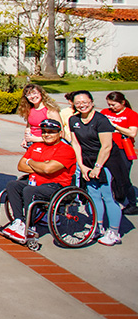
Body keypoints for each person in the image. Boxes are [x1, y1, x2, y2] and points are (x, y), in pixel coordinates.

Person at [2, 119, 77, 242]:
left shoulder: (65, 149)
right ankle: (19, 221)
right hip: (36, 181)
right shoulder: (36, 146)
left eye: (51, 132)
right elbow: (21, 166)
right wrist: (42, 165)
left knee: (29, 190)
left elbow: (48, 170)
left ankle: (29, 226)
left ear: (60, 133)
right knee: (13, 185)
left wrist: (30, 162)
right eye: (44, 131)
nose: (47, 134)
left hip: (57, 186)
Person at [69, 91, 127, 246]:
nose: (82, 105)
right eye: (78, 102)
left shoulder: (101, 121)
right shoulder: (73, 120)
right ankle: (98, 227)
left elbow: (106, 146)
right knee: (93, 195)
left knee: (108, 196)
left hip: (107, 161)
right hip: (87, 161)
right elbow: (75, 143)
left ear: (92, 102)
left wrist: (97, 167)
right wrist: (81, 165)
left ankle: (114, 232)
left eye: (85, 102)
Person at [101, 91, 138, 214]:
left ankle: (132, 203)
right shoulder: (105, 112)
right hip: (108, 148)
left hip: (123, 149)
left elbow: (132, 133)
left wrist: (115, 126)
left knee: (123, 178)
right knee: (109, 176)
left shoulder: (131, 114)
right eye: (109, 104)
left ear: (122, 102)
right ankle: (114, 199)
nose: (111, 107)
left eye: (114, 105)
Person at [17, 84, 62, 149]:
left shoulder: (50, 111)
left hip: (47, 146)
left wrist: (37, 139)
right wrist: (25, 139)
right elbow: (29, 127)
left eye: (34, 93)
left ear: (41, 93)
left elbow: (60, 134)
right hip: (32, 145)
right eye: (28, 95)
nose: (32, 96)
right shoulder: (30, 110)